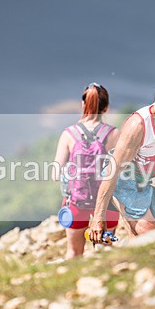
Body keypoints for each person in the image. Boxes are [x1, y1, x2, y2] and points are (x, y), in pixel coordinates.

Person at [89, 78, 155, 243]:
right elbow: (113, 170)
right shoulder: (137, 126)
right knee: (154, 236)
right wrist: (98, 217)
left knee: (139, 238)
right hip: (126, 180)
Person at [53, 83, 121, 257]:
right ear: (106, 108)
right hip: (107, 204)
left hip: (77, 201)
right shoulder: (114, 134)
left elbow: (55, 173)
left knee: (74, 253)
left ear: (83, 105)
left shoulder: (68, 134)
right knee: (105, 253)